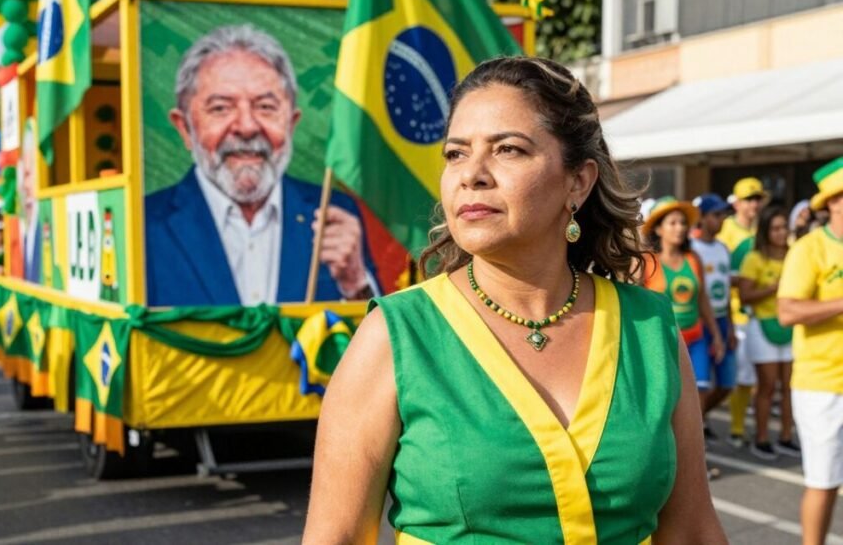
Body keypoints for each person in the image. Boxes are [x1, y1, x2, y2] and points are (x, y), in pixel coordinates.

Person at [303, 57, 726, 543]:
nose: (472, 174)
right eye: (456, 153)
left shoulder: (647, 327)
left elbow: (692, 531)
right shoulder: (395, 335)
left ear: (578, 181)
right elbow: (334, 536)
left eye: (508, 149)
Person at [144, 24, 379, 307]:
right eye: (220, 108)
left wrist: (357, 284)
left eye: (265, 107)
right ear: (184, 128)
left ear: (291, 123)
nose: (247, 127)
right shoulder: (143, 226)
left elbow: (377, 330)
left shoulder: (334, 212)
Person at [778, 156, 843, 545]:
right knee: (824, 481)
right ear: (833, 202)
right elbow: (788, 311)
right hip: (823, 385)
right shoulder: (809, 248)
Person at [641, 197, 725, 418]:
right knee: (665, 397)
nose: (679, 228)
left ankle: (697, 436)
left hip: (695, 338)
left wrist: (716, 334)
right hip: (662, 341)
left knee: (700, 391)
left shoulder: (693, 258)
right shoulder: (647, 262)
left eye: (683, 223)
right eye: (672, 223)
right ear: (658, 229)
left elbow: (702, 298)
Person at [738, 205, 799, 461]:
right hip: (762, 326)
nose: (781, 232)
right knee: (767, 386)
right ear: (765, 231)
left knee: (790, 387)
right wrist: (773, 289)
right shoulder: (754, 258)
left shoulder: (795, 255)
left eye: (784, 227)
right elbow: (744, 296)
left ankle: (786, 436)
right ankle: (761, 438)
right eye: (775, 228)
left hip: (790, 326)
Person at [718, 177, 769, 448]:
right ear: (737, 202)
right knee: (739, 375)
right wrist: (746, 280)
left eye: (757, 198)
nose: (754, 204)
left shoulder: (764, 230)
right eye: (749, 199)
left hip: (760, 312)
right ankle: (736, 428)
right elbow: (717, 273)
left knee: (753, 377)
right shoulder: (725, 230)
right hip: (734, 313)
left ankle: (743, 427)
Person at [691, 193, 738, 441]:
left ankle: (696, 419)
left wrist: (730, 326)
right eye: (716, 215)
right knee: (700, 382)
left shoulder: (722, 249)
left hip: (721, 319)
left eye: (723, 215)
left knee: (727, 383)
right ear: (702, 217)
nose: (721, 220)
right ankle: (696, 428)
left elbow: (727, 291)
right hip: (700, 322)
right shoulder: (692, 249)